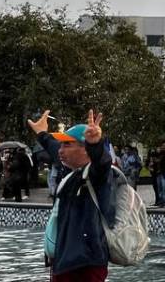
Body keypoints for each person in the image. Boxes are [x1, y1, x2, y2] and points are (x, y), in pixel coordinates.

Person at [30, 109, 115, 282]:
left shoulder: (97, 175)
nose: (60, 150)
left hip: (85, 264)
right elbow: (54, 147)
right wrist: (42, 133)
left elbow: (102, 162)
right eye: (61, 145)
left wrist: (95, 145)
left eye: (67, 144)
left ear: (85, 150)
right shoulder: (68, 169)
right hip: (63, 261)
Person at [148, 143, 165, 207]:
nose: (163, 147)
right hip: (157, 174)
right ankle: (160, 201)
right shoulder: (158, 154)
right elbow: (152, 162)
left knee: (164, 188)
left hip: (164, 174)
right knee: (159, 189)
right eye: (162, 146)